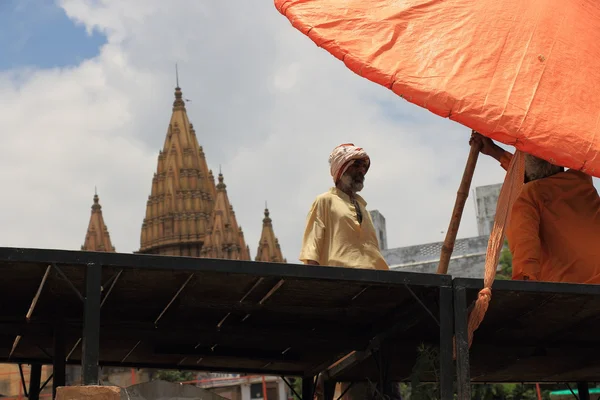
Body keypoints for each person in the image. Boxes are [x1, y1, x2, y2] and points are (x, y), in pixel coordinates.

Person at [470, 132, 600, 284]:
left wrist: (525, 289)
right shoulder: (581, 178)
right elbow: (541, 177)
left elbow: (525, 248)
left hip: (579, 295)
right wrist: (496, 153)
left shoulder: (527, 198)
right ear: (560, 162)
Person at [299, 143, 388, 270]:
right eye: (356, 165)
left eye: (364, 167)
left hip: (374, 280)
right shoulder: (325, 201)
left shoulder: (363, 209)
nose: (362, 171)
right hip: (341, 279)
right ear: (341, 169)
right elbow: (312, 250)